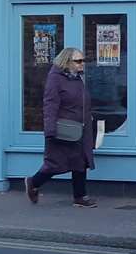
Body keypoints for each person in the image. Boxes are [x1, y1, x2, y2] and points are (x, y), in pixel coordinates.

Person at [25, 47, 97, 208]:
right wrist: (50, 130)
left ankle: (80, 197)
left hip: (81, 128)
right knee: (55, 163)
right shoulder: (55, 79)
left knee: (81, 161)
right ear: (67, 62)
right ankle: (33, 182)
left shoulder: (77, 78)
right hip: (64, 129)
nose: (82, 64)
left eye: (83, 61)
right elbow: (50, 105)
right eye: (78, 61)